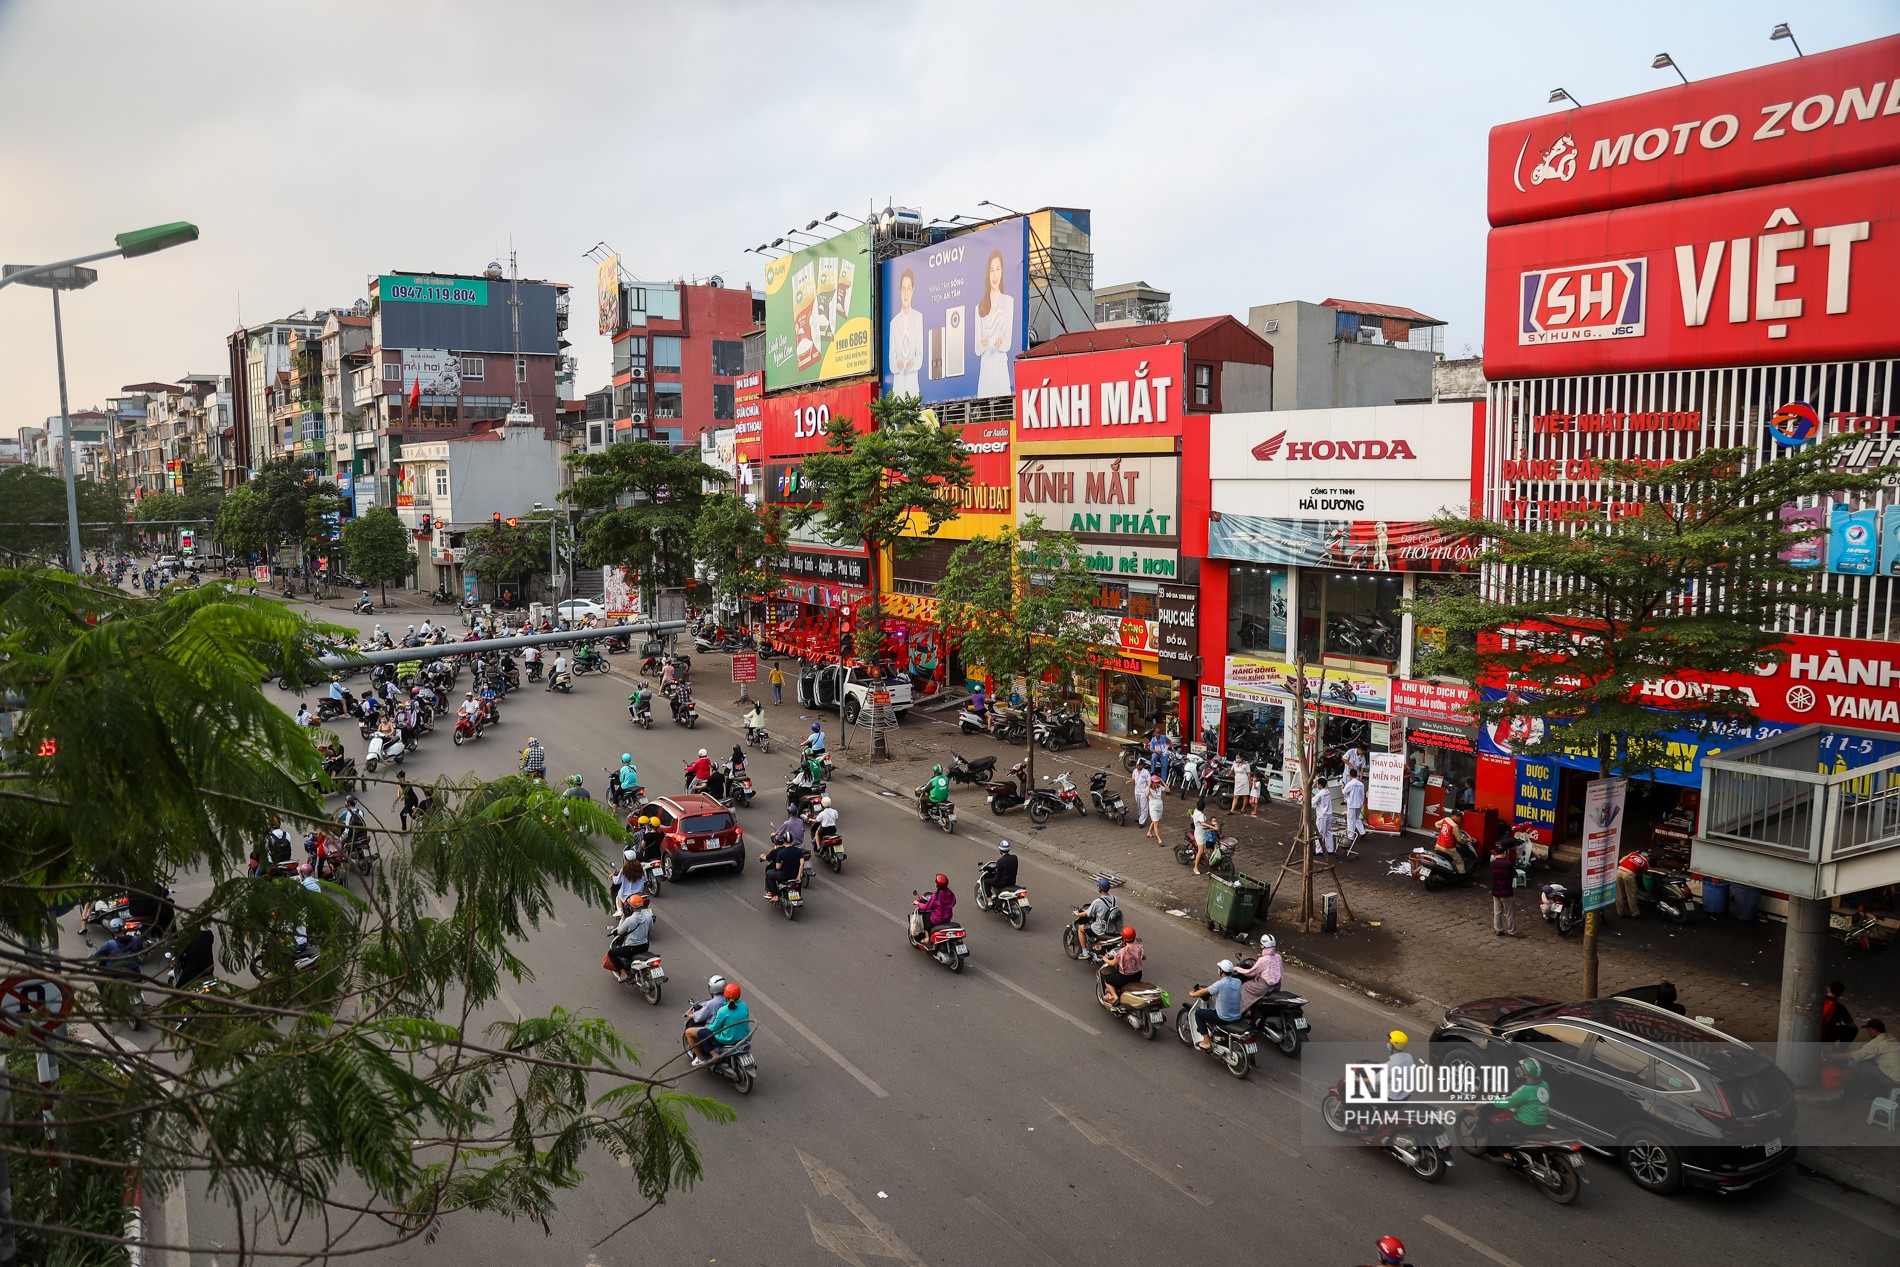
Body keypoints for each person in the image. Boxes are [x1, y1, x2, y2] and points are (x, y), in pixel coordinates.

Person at [972, 248, 1016, 398]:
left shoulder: (1008, 302)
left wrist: (1001, 341)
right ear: (987, 273)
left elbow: (1008, 342)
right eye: (992, 270)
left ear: (1002, 271)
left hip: (1001, 367)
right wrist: (983, 343)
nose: (995, 275)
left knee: (1004, 409)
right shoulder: (980, 306)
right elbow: (976, 349)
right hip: (985, 369)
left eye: (998, 269)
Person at [1485, 1057, 1552, 1151]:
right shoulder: (1544, 1084)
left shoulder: (1526, 1089)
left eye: (1522, 1069)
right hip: (1542, 1123)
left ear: (1526, 1073)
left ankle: (1505, 1154)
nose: (1520, 1071)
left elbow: (1507, 1103)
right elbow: (1531, 1102)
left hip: (1527, 1125)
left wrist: (1493, 1099)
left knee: (1498, 1128)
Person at [688, 982, 752, 1066]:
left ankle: (713, 1055)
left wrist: (707, 1026)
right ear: (739, 995)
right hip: (744, 1036)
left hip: (727, 1039)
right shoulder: (744, 1005)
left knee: (701, 1033)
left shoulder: (723, 1010)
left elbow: (715, 1027)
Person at [1188, 960, 1244, 1050]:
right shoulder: (1238, 982)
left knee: (1199, 1014)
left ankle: (1206, 1042)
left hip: (1222, 1017)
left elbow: (1203, 992)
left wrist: (1192, 994)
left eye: (1219, 968)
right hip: (1237, 1016)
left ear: (1221, 971)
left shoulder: (1220, 984)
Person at [888, 267, 924, 397]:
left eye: (909, 288)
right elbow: (891, 358)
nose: (906, 293)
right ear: (899, 292)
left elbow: (920, 354)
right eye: (903, 289)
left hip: (913, 386)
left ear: (913, 290)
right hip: (897, 389)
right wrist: (897, 363)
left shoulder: (918, 318)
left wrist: (912, 362)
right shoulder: (894, 323)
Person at [1838, 1018, 1900, 1093]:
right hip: (1897, 1076)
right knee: (1869, 1060)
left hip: (1894, 1081)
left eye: (1868, 1030)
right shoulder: (1891, 1038)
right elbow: (1875, 1050)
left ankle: (1869, 1090)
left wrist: (1834, 1056)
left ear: (1874, 1030)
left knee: (1862, 1064)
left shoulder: (1877, 1042)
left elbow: (1855, 1056)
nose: (1868, 1032)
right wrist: (1863, 1049)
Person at [606, 894, 653, 982]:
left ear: (631, 907)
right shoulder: (648, 917)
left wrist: (622, 919)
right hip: (645, 945)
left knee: (611, 953)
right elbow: (650, 929)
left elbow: (620, 932)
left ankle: (623, 973)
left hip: (632, 948)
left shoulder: (629, 920)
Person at [1236, 933, 1284, 1013]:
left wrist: (1238, 969)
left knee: (1245, 986)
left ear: (1263, 946)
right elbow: (1280, 971)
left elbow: (1250, 972)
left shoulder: (1263, 959)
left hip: (1264, 986)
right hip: (1277, 986)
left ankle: (1241, 1010)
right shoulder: (1278, 957)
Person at [1099, 926, 1147, 1005]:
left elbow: (1113, 963)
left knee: (1108, 981)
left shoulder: (1122, 951)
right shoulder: (1140, 947)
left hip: (1125, 977)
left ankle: (1115, 997)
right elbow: (1144, 957)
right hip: (1138, 975)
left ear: (1124, 938)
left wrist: (1105, 959)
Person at [1073, 877, 1120, 954]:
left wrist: (1076, 914)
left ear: (1100, 888)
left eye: (1098, 886)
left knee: (1080, 929)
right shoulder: (1115, 899)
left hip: (1100, 929)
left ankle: (1084, 952)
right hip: (1113, 927)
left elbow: (1087, 913)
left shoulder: (1097, 902)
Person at [760, 835, 808, 902]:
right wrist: (799, 876)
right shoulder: (798, 851)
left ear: (784, 841)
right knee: (797, 883)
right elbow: (802, 864)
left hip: (784, 876)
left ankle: (775, 895)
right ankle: (798, 896)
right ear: (792, 840)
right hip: (795, 875)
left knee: (769, 874)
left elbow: (778, 867)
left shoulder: (781, 853)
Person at [1490, 845, 1524, 937]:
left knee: (1497, 912)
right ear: (1505, 853)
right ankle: (1511, 931)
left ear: (1496, 853)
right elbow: (1515, 875)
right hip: (1506, 892)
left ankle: (1498, 929)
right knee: (1509, 913)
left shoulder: (1492, 863)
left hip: (1495, 891)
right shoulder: (1508, 864)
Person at [912, 874, 956, 942]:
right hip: (947, 918)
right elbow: (953, 903)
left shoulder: (936, 897)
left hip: (937, 920)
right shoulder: (951, 894)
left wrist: (918, 903)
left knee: (925, 917)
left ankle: (926, 938)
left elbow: (926, 907)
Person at [1615, 847, 1650, 917]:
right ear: (1647, 857)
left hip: (1618, 871)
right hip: (1629, 874)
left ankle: (1620, 912)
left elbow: (1620, 862)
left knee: (1619, 893)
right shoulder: (1645, 862)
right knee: (1631, 894)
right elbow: (1642, 873)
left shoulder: (1633, 854)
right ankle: (1634, 912)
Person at [1822, 980, 1859, 1045]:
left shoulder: (1819, 999)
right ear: (1840, 994)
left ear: (1828, 988)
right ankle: (1840, 1052)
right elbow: (1852, 1025)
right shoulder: (1839, 1007)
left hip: (1813, 1031)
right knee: (1854, 1030)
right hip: (1826, 1036)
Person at [1385, 1030, 1417, 1102]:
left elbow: (1376, 1079)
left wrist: (1358, 1079)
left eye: (1389, 1041)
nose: (1388, 1042)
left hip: (1391, 1098)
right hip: (1404, 1095)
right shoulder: (1409, 1057)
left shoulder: (1392, 1064)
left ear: (1394, 1045)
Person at [1312, 777, 1336, 856]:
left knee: (1320, 832)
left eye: (1318, 784)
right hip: (1329, 814)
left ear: (1320, 785)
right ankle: (1330, 849)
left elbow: (1313, 802)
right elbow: (1318, 797)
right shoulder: (1327, 791)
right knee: (1329, 832)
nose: (1317, 786)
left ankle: (1319, 850)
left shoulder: (1320, 794)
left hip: (1322, 816)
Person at [1343, 769, 1367, 845]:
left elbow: (1344, 792)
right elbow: (1363, 794)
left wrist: (1342, 788)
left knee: (1350, 820)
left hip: (1352, 804)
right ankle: (1362, 832)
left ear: (1350, 775)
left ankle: (1351, 837)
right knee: (1357, 818)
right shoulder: (1361, 784)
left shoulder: (1350, 784)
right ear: (1357, 775)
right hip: (1359, 804)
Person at [1131, 759, 1152, 829]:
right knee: (1138, 807)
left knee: (1144, 807)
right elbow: (1133, 779)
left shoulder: (1146, 773)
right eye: (1136, 765)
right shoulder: (1134, 771)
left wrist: (1148, 789)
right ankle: (1140, 818)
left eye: (1139, 765)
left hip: (1143, 792)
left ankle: (1142, 822)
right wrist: (1129, 781)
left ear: (1142, 765)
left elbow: (1149, 782)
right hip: (1136, 792)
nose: (1137, 766)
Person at [1145, 776, 1166, 845]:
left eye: (1158, 782)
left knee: (1155, 821)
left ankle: (1149, 832)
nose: (1157, 784)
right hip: (1153, 807)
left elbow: (1168, 790)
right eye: (1155, 783)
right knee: (1156, 824)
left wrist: (1162, 782)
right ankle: (1159, 840)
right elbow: (1147, 795)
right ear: (1152, 783)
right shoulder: (1149, 789)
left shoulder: (1159, 787)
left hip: (1160, 806)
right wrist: (1148, 785)